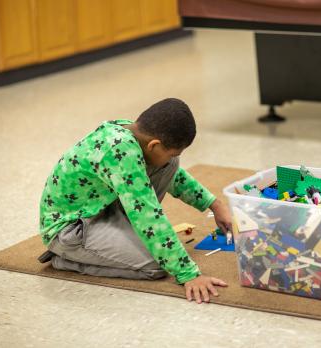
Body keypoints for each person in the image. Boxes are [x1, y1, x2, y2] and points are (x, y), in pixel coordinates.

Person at [39, 98, 231, 303]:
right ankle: (66, 259)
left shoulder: (135, 133)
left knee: (170, 163)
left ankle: (121, 237)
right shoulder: (121, 151)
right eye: (172, 151)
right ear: (154, 145)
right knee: (157, 265)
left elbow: (175, 177)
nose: (172, 157)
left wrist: (214, 204)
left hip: (101, 207)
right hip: (70, 230)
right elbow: (147, 216)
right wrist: (189, 274)